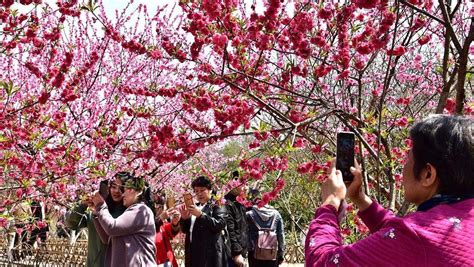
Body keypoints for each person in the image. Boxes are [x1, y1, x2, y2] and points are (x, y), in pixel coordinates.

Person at [305, 115, 474, 266]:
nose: (403, 166)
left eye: (409, 158)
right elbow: (401, 235)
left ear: (427, 174)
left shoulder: (418, 237)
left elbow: (323, 263)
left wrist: (329, 204)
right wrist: (359, 197)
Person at [65, 173, 129, 267]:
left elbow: (109, 238)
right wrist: (82, 205)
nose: (116, 191)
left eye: (121, 188)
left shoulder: (129, 213)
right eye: (113, 187)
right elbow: (71, 224)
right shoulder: (94, 209)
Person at [92, 175, 157, 267]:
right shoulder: (132, 211)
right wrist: (96, 214)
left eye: (126, 190)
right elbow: (107, 238)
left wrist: (101, 205)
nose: (123, 194)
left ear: (138, 191)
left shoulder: (141, 210)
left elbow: (112, 228)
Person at [178, 175, 229, 267]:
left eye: (202, 190)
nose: (199, 194)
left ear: (210, 190)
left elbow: (219, 225)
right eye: (196, 191)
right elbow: (185, 230)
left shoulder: (217, 204)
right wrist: (185, 219)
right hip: (193, 251)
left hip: (210, 253)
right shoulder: (195, 206)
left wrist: (200, 215)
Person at [247, 189, 285, 267]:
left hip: (254, 253)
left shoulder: (249, 214)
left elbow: (244, 233)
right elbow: (281, 235)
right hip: (272, 253)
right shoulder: (276, 214)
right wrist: (281, 254)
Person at [225, 171, 248, 267]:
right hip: (233, 254)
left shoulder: (240, 203)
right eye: (243, 184)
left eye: (246, 184)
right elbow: (230, 230)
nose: (246, 187)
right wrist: (237, 253)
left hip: (242, 250)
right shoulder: (228, 203)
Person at [155, 194, 181, 267]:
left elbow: (172, 231)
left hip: (167, 261)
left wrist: (175, 222)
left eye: (161, 206)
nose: (159, 209)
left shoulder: (162, 223)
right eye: (157, 206)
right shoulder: (145, 223)